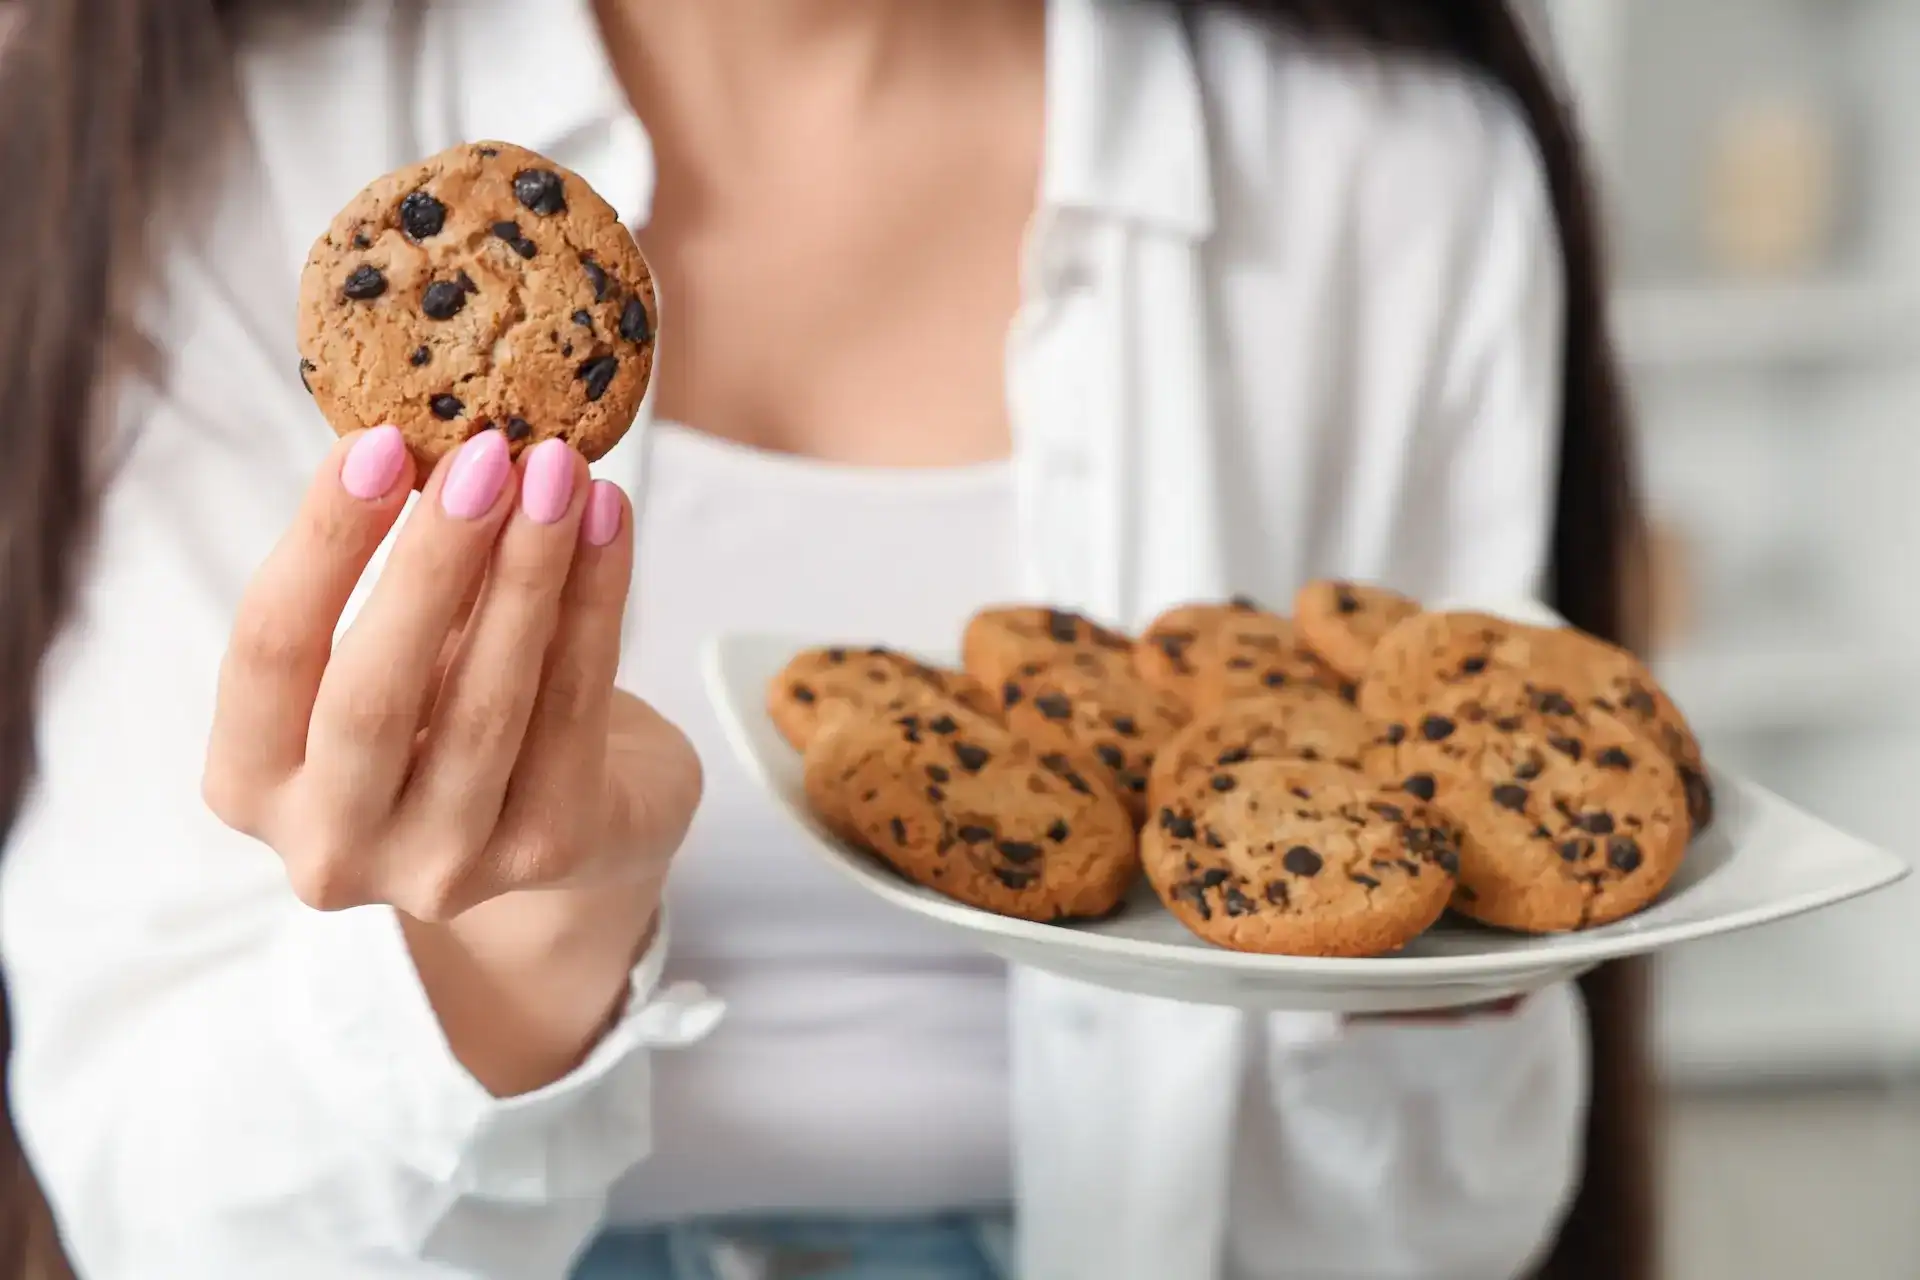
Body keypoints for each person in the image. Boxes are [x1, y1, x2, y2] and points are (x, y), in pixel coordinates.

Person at [0, 0, 1657, 1277]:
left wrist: (1438, 952)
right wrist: (522, 934)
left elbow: (1438, 1232)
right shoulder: (200, 163)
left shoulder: (1400, 184)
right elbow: (175, 1221)